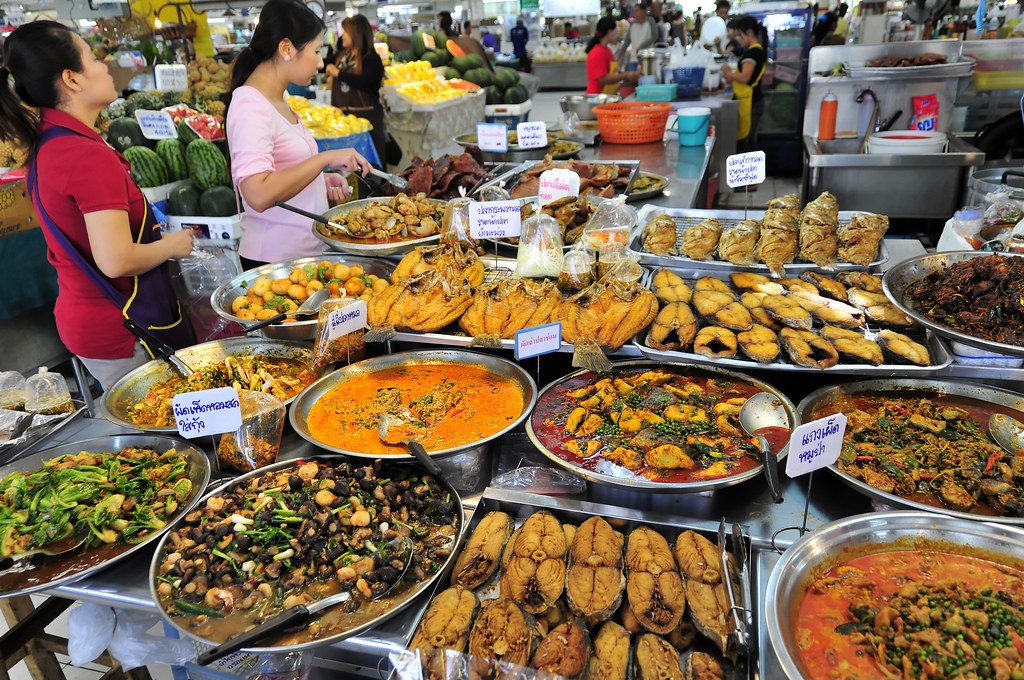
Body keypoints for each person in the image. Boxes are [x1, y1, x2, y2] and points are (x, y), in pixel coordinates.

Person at [0, 21, 195, 389]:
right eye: (94, 57)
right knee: (159, 437)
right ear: (72, 79)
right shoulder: (84, 155)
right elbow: (116, 260)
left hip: (89, 317)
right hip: (119, 326)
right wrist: (172, 245)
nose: (105, 65)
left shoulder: (52, 142)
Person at [228, 0, 372, 270]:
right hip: (274, 265)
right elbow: (257, 193)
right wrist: (324, 160)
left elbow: (283, 170)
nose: (320, 62)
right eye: (316, 51)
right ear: (286, 48)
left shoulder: (279, 97)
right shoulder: (250, 106)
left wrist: (319, 181)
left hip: (303, 255)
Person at [326, 15, 386, 167]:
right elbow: (323, 63)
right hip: (345, 126)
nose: (342, 35)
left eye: (345, 31)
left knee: (371, 169)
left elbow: (367, 82)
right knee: (350, 171)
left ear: (356, 34)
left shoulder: (371, 58)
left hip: (367, 126)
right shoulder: (343, 56)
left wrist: (338, 73)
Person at [721, 15, 767, 153]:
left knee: (748, 142)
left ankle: (753, 174)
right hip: (748, 100)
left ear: (750, 33)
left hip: (751, 102)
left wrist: (728, 72)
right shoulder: (753, 51)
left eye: (741, 36)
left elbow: (745, 77)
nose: (739, 39)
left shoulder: (754, 52)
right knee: (749, 140)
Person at [586, 15, 641, 94]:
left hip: (607, 96)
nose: (617, 33)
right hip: (597, 96)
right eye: (615, 30)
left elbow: (612, 73)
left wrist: (630, 74)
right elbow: (602, 79)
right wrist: (625, 75)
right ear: (609, 31)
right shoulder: (597, 52)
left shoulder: (606, 50)